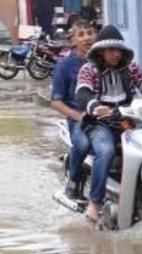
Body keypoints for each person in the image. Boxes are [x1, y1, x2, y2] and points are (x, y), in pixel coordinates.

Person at [75, 25, 142, 221]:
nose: (116, 54)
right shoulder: (88, 69)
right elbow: (82, 92)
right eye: (110, 50)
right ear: (100, 51)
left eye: (118, 50)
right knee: (106, 150)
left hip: (127, 122)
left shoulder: (131, 69)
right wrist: (94, 106)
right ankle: (95, 202)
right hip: (100, 124)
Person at [51, 19, 97, 201]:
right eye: (81, 34)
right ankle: (74, 182)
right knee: (84, 144)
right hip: (79, 118)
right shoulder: (65, 66)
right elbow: (55, 102)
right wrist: (79, 116)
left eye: (90, 32)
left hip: (105, 116)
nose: (87, 38)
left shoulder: (106, 60)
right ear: (73, 40)